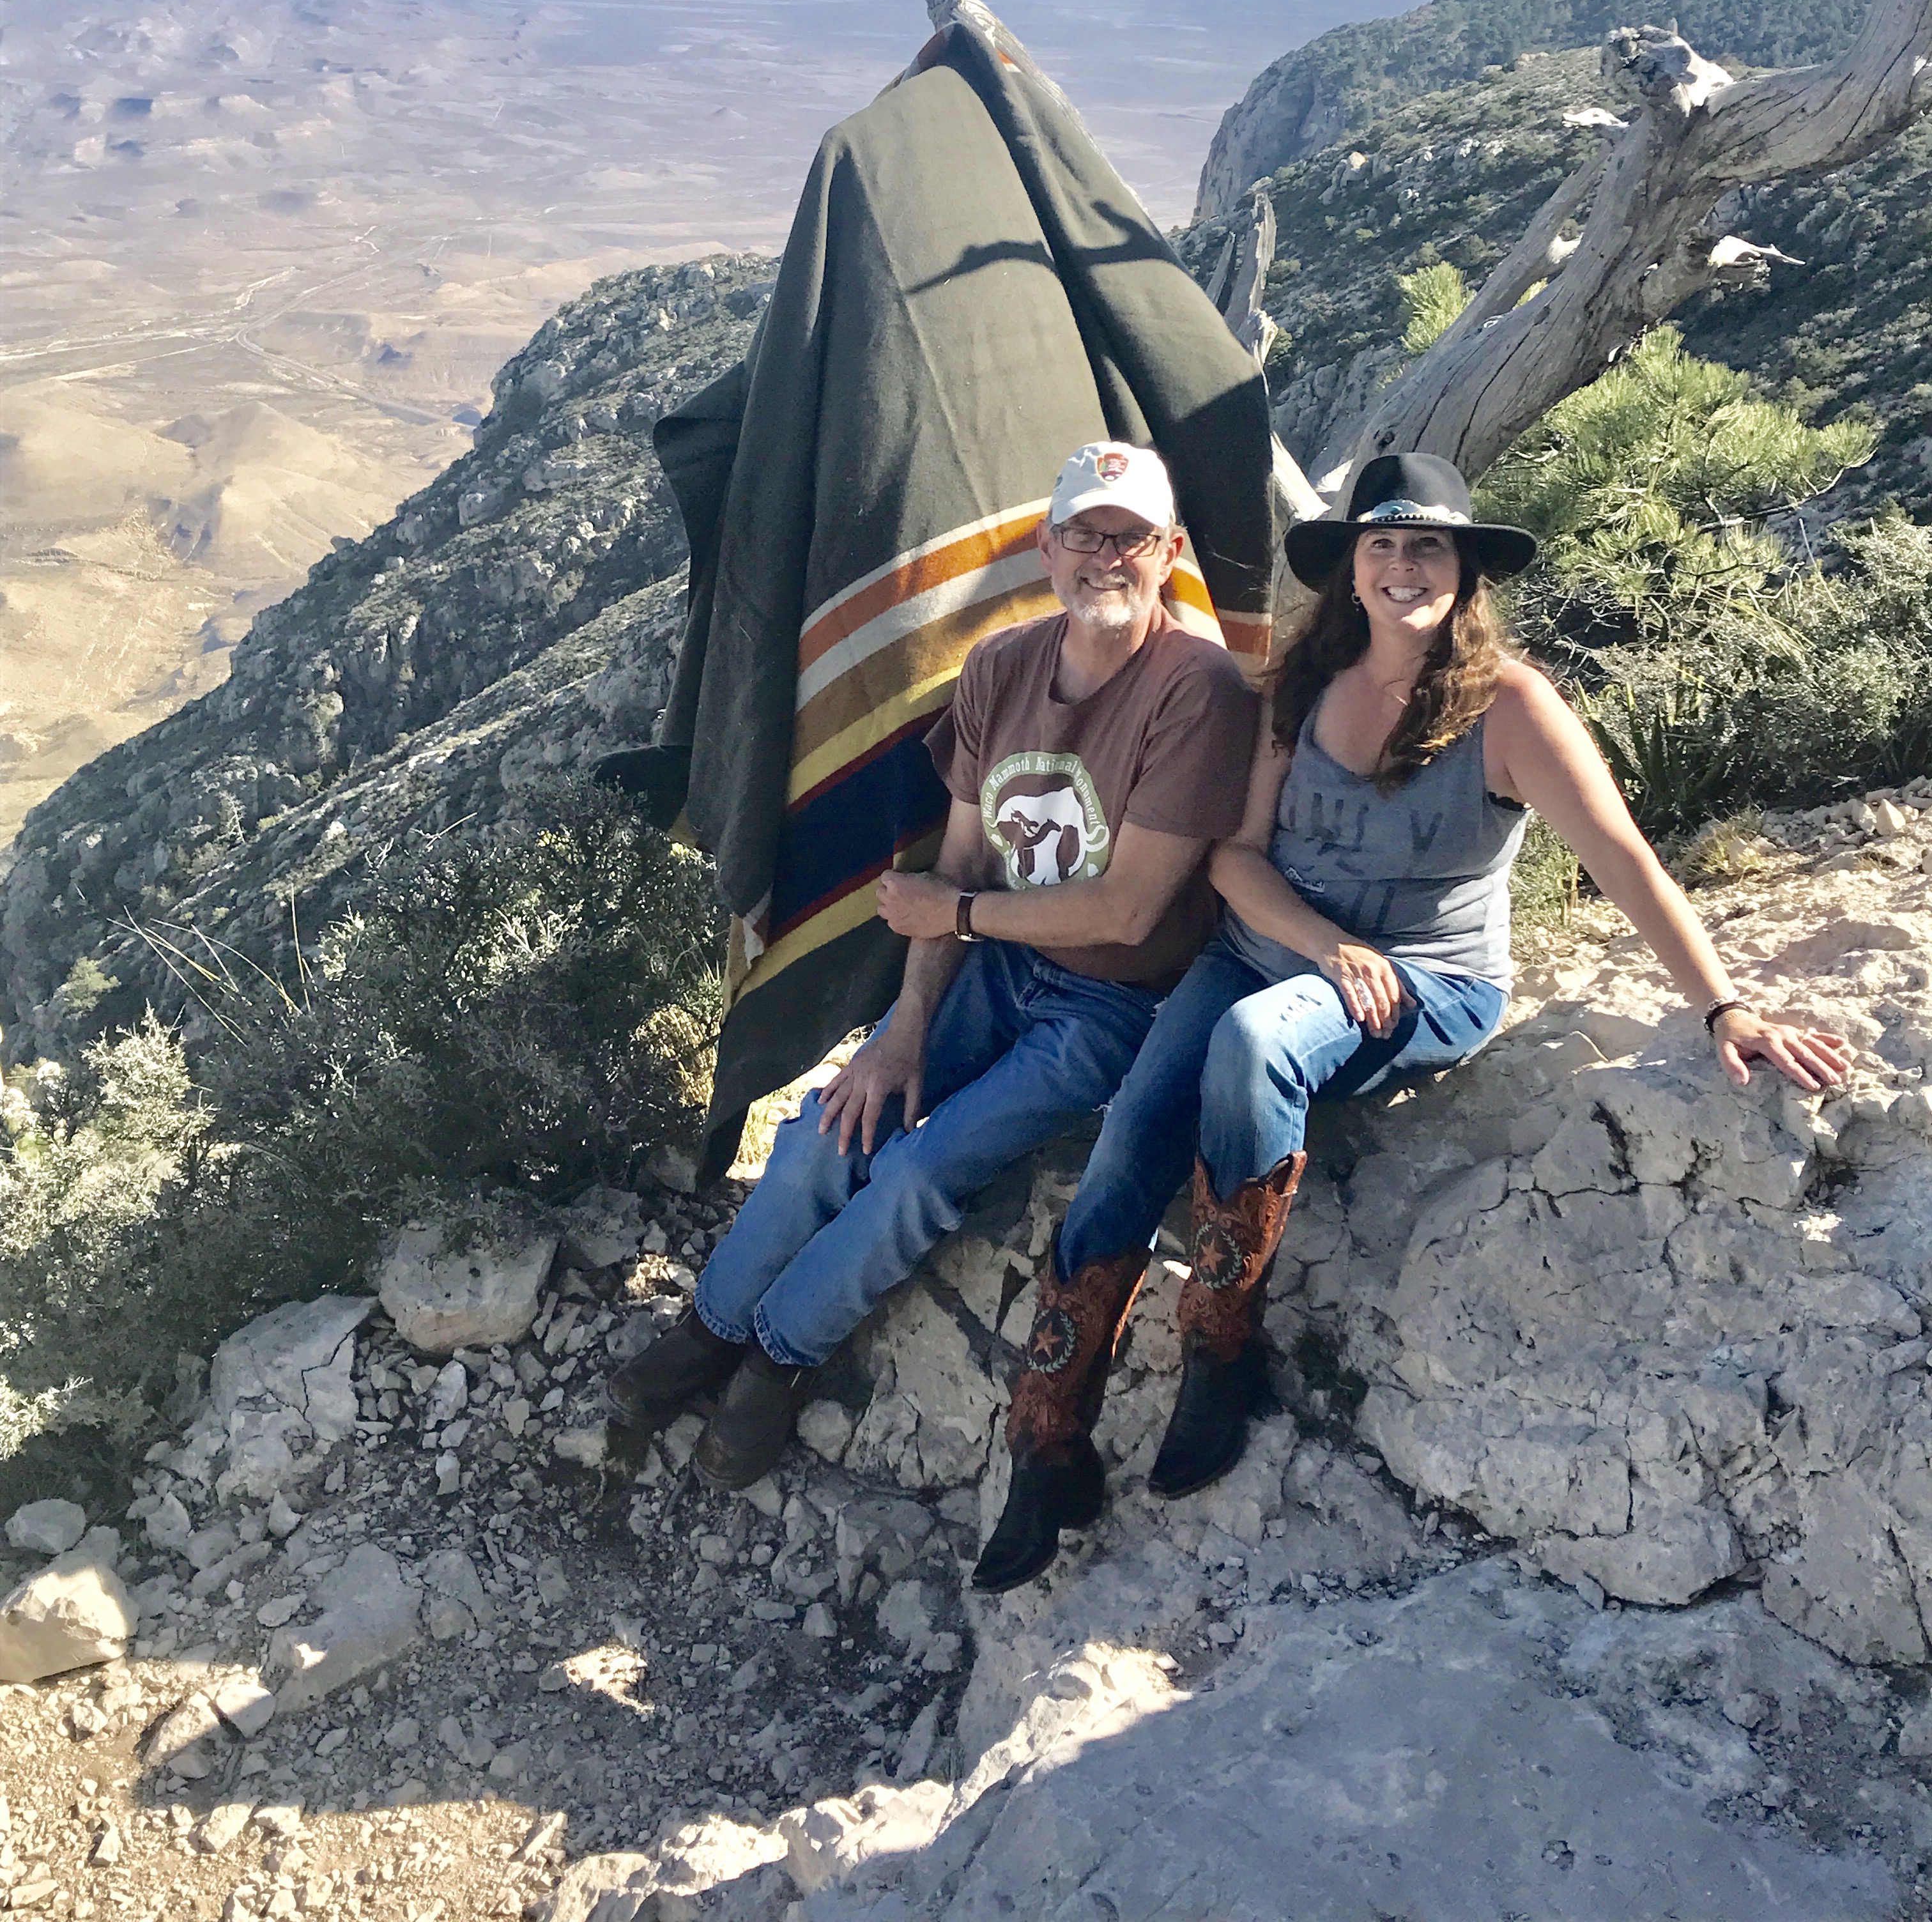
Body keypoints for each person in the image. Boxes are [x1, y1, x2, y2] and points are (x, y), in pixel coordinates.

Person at [974, 450, 1853, 1594]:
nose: (1401, 566)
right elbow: (1236, 860)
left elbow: (1622, 857)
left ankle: (1221, 1345)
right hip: (1271, 951)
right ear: (1349, 569)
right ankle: (1046, 1444)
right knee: (1130, 1137)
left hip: (1424, 983)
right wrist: (1322, 945)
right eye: (1379, 545)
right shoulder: (1300, 687)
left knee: (1256, 1046)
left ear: (1463, 569)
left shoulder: (1509, 709)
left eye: (1425, 545)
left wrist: (1724, 1004)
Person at [606, 439, 1259, 1490]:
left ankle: (779, 1352)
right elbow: (960, 849)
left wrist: (953, 913)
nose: (1108, 557)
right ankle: (711, 1326)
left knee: (917, 1170)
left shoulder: (1197, 691)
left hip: (1104, 1005)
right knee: (836, 1128)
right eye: (1086, 534)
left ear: (1168, 550)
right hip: (985, 965)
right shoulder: (1001, 669)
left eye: (1132, 538)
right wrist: (903, 1028)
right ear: (1046, 550)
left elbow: (1130, 911)